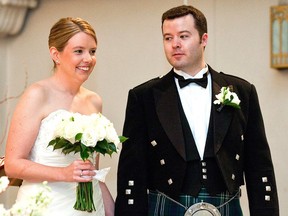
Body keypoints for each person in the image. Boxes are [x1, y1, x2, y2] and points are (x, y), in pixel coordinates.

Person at [115, 5, 279, 216]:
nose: (175, 44)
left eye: (183, 36)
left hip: (225, 205)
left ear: (204, 39)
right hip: (167, 205)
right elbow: (132, 170)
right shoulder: (144, 96)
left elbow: (259, 165)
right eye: (167, 38)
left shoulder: (241, 91)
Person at [5, 17, 114, 216]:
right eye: (78, 51)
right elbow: (13, 164)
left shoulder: (94, 101)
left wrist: (112, 211)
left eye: (92, 51)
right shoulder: (37, 94)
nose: (88, 59)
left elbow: (93, 172)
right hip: (48, 206)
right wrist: (63, 174)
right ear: (56, 54)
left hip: (91, 207)